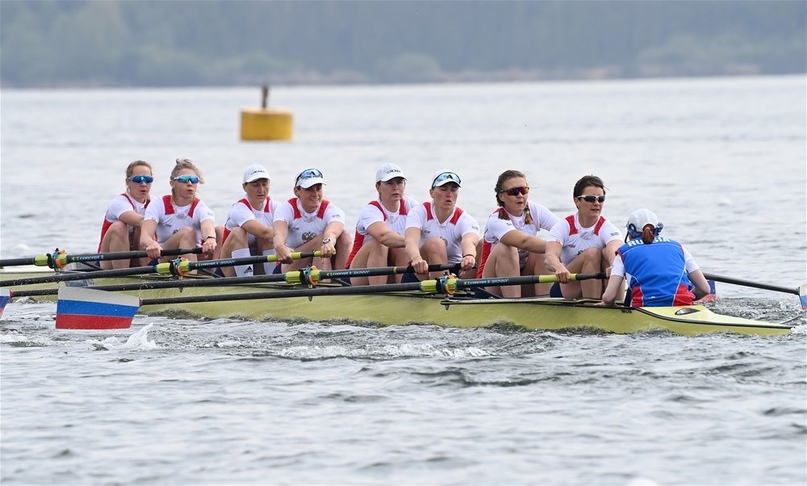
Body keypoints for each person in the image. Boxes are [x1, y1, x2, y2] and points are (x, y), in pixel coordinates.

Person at [601, 208, 712, 307]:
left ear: (630, 232)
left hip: (645, 309)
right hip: (682, 305)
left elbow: (609, 297)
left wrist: (605, 303)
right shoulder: (678, 247)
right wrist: (688, 298)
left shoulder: (623, 252)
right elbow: (704, 289)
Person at [477, 170, 560, 298]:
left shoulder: (534, 210)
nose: (520, 195)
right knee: (507, 247)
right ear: (501, 197)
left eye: (524, 190)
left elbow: (563, 231)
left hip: (523, 279)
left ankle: (545, 301)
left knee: (542, 252)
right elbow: (524, 242)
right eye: (513, 191)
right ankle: (513, 302)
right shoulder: (496, 219)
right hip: (491, 285)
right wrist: (556, 246)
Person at [545, 174, 622, 299]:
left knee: (613, 259)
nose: (597, 203)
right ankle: (592, 308)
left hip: (600, 284)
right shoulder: (564, 226)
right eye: (590, 198)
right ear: (577, 201)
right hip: (568, 285)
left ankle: (614, 308)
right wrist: (559, 267)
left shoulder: (608, 228)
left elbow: (615, 249)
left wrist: (614, 264)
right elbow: (549, 257)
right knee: (592, 253)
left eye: (600, 199)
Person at [346, 163, 419, 285]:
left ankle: (403, 289)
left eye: (399, 182)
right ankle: (379, 293)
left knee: (404, 246)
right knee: (381, 244)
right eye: (390, 183)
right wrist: (412, 242)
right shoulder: (371, 210)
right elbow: (383, 236)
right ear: (378, 187)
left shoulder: (412, 206)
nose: (395, 187)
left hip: (389, 268)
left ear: (405, 185)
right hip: (357, 274)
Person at [140, 158, 218, 266]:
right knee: (187, 233)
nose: (190, 183)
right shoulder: (159, 204)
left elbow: (207, 225)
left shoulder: (200, 207)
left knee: (220, 231)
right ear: (172, 183)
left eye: (194, 180)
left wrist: (210, 238)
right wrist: (151, 243)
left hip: (194, 256)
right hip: (163, 258)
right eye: (184, 179)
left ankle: (216, 274)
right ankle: (190, 280)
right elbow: (145, 237)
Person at [272, 168, 352, 272]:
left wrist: (328, 242)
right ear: (296, 191)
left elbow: (332, 231)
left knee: (344, 235)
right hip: (289, 264)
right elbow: (279, 233)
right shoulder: (286, 209)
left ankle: (341, 278)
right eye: (309, 189)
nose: (315, 194)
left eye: (318, 188)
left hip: (321, 260)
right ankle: (323, 283)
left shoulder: (331, 210)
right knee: (319, 241)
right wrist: (279, 246)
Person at [404, 170, 480, 281]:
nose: (449, 194)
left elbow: (469, 241)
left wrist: (469, 256)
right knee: (436, 243)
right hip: (421, 271)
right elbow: (411, 241)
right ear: (431, 193)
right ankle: (441, 293)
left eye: (453, 189)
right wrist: (416, 258)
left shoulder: (465, 219)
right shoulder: (418, 212)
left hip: (456, 272)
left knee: (483, 243)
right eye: (443, 189)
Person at [219, 164, 278, 277]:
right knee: (239, 232)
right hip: (229, 267)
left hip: (258, 263)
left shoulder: (275, 206)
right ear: (244, 187)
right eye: (255, 185)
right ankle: (245, 279)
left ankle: (272, 278)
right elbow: (264, 232)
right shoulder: (239, 208)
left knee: (271, 235)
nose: (261, 189)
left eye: (264, 184)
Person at [97, 160, 154, 269]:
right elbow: (139, 221)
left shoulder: (155, 202)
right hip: (109, 261)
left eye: (148, 180)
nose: (143, 184)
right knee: (120, 226)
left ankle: (146, 271)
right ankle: (121, 274)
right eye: (138, 180)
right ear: (128, 182)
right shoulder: (119, 202)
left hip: (138, 256)